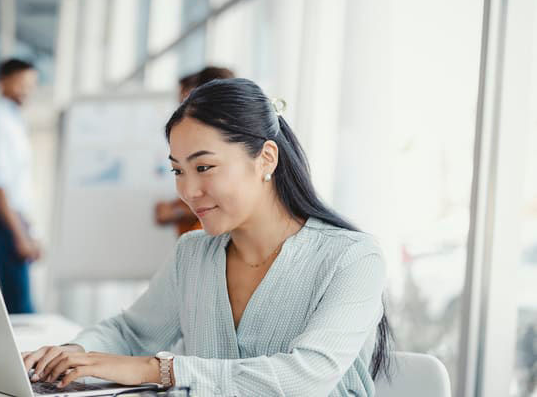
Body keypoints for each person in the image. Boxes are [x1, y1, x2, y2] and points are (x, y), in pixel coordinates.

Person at [22, 78, 391, 396]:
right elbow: (132, 331)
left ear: (266, 158)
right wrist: (71, 353)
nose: (188, 190)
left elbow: (305, 379)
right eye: (177, 171)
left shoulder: (352, 259)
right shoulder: (194, 253)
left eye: (204, 167)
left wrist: (157, 370)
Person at [0, 58, 40, 314]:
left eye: (32, 84)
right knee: (20, 311)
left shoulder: (14, 120)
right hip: (4, 222)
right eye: (21, 82)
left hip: (14, 221)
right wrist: (20, 235)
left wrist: (31, 232)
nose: (27, 89)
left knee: (14, 305)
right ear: (4, 81)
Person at [155, 66, 235, 236]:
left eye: (185, 102)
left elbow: (228, 198)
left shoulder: (228, 143)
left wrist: (176, 212)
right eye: (177, 171)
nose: (181, 113)